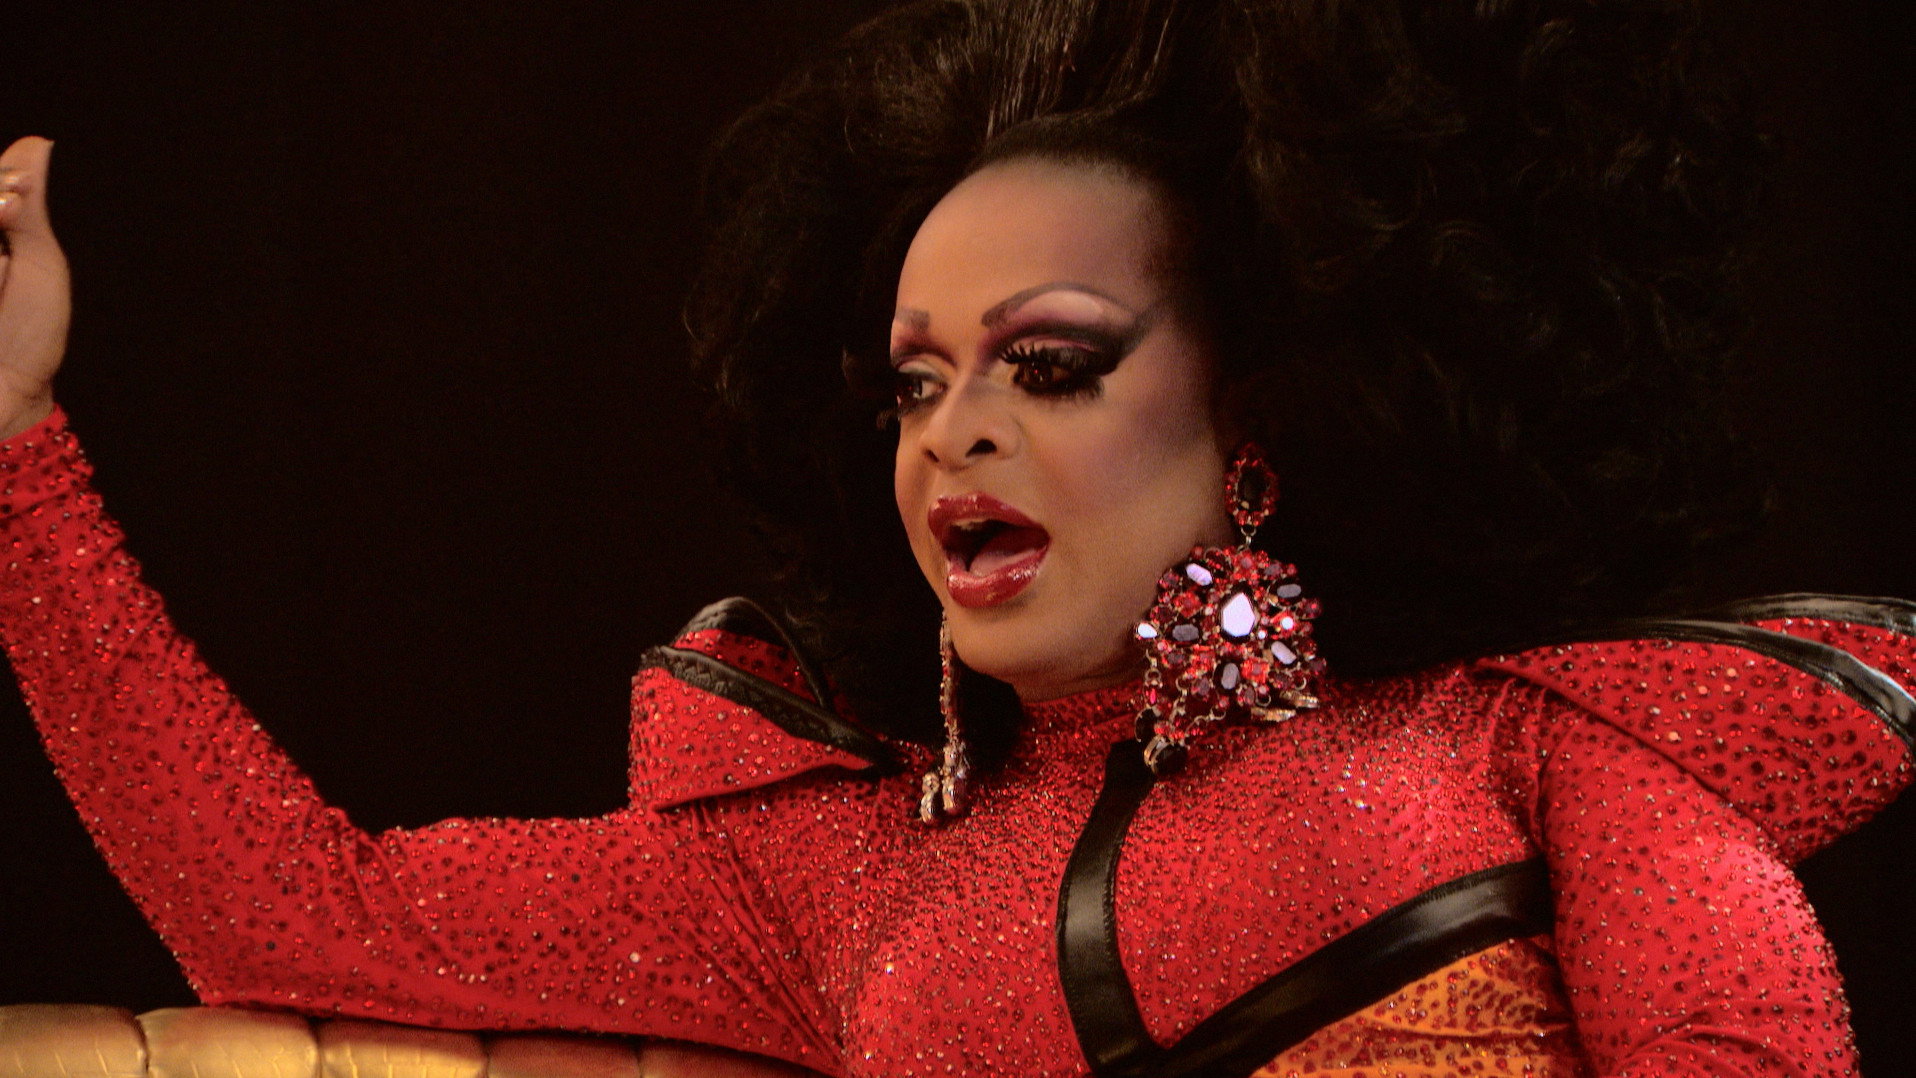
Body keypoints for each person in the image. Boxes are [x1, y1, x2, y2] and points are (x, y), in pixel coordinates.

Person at [2, 1, 1911, 1075]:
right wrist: (16, 447)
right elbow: (291, 912)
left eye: (1052, 364)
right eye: (917, 382)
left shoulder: (1538, 747)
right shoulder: (824, 878)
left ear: (1263, 416)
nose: (956, 433)